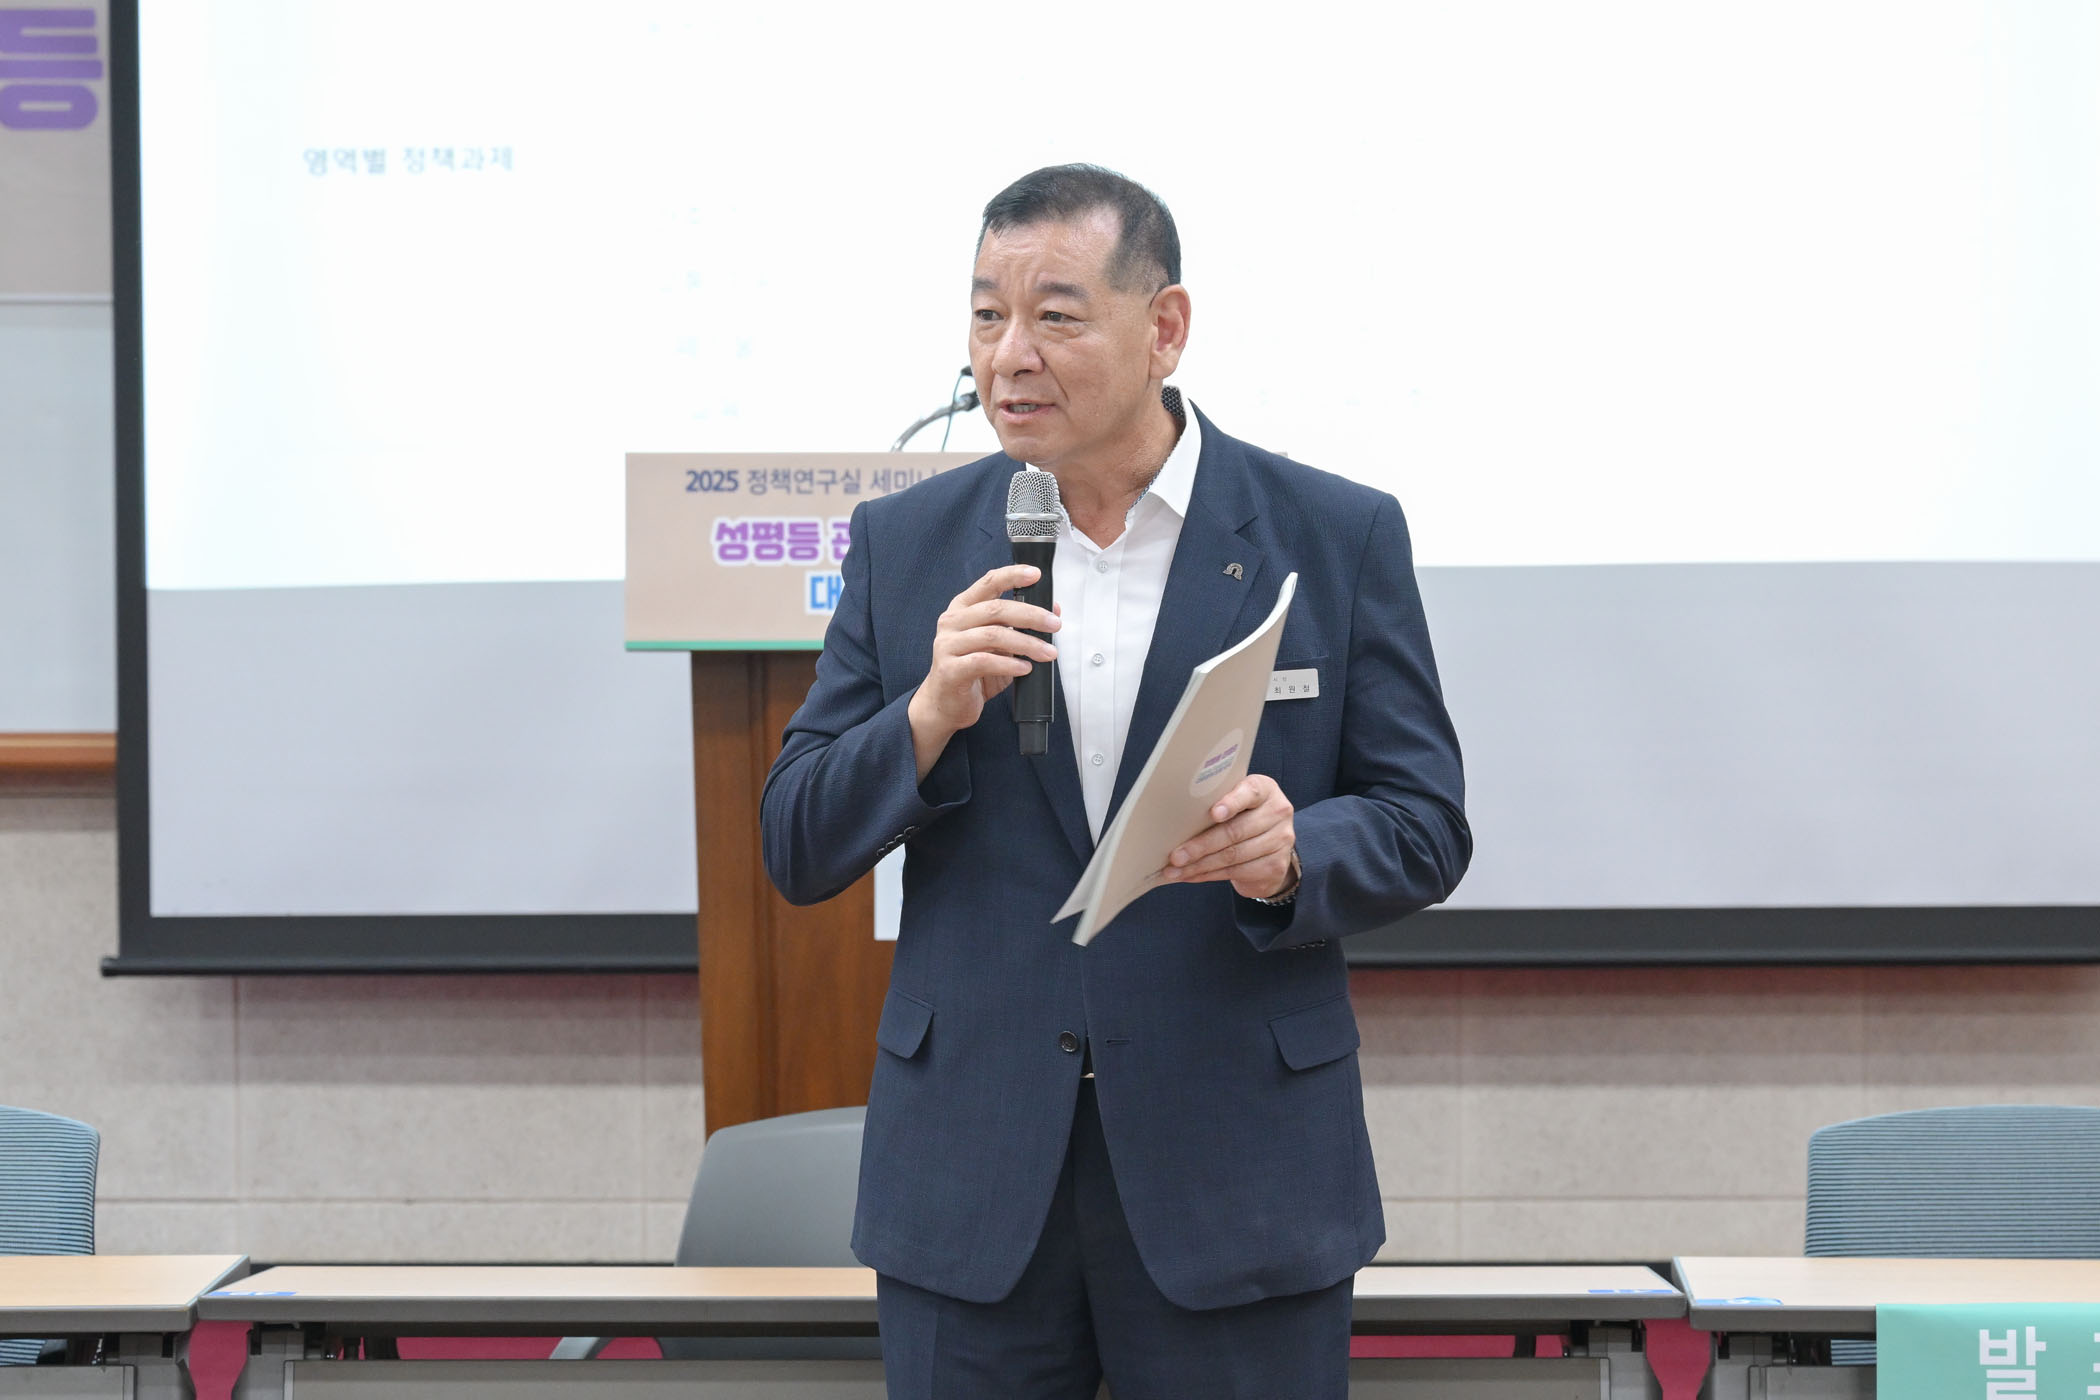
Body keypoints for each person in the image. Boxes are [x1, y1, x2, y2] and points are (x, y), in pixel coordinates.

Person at [762, 164, 1469, 1400]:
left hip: (1237, 1173)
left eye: (1056, 315)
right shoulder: (908, 545)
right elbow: (796, 838)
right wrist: (924, 716)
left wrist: (1293, 852)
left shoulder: (1332, 532)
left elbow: (1424, 821)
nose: (1010, 356)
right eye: (987, 315)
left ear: (1166, 327)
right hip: (973, 1178)